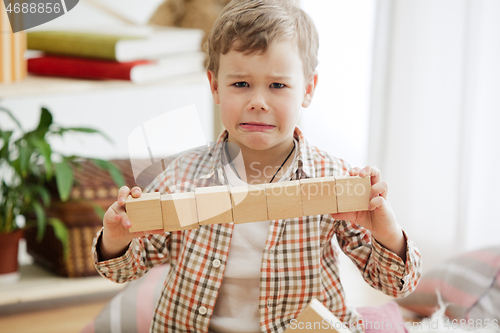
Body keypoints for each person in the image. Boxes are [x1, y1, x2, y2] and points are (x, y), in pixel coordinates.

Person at [93, 0, 422, 332]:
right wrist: (116, 237)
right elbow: (123, 270)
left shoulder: (334, 180)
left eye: (277, 85)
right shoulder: (181, 178)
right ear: (215, 86)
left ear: (307, 89)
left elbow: (395, 285)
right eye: (241, 84)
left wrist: (387, 234)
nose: (258, 102)